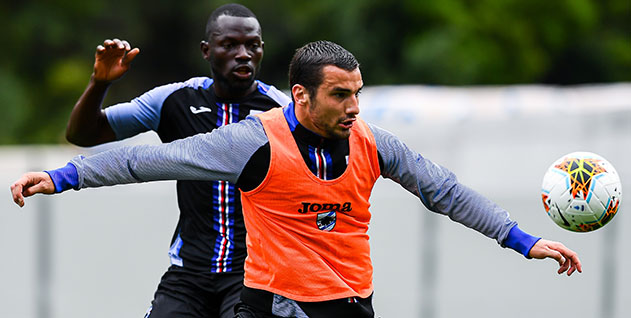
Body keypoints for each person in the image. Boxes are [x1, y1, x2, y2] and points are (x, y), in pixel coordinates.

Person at [11, 40, 581, 318]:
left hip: (351, 303)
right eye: (340, 94)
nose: (354, 106)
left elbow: (446, 193)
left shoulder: (374, 144)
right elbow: (146, 161)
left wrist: (523, 240)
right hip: (273, 303)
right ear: (302, 94)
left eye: (358, 92)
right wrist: (63, 177)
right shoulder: (251, 142)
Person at [62, 3, 289, 318]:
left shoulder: (283, 112)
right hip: (188, 274)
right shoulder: (174, 100)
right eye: (230, 45)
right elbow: (84, 134)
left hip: (252, 274)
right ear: (206, 50)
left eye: (252, 45)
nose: (243, 53)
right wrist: (99, 83)